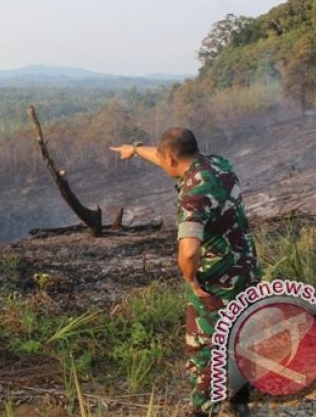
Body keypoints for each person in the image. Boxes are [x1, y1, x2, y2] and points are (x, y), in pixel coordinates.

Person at [111, 128, 261, 417]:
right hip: (247, 271)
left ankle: (203, 411)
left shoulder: (193, 194)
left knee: (206, 350)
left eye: (163, 157)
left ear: (171, 158)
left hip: (217, 284)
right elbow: (163, 156)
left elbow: (189, 251)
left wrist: (191, 279)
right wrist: (134, 148)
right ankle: (240, 403)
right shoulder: (218, 164)